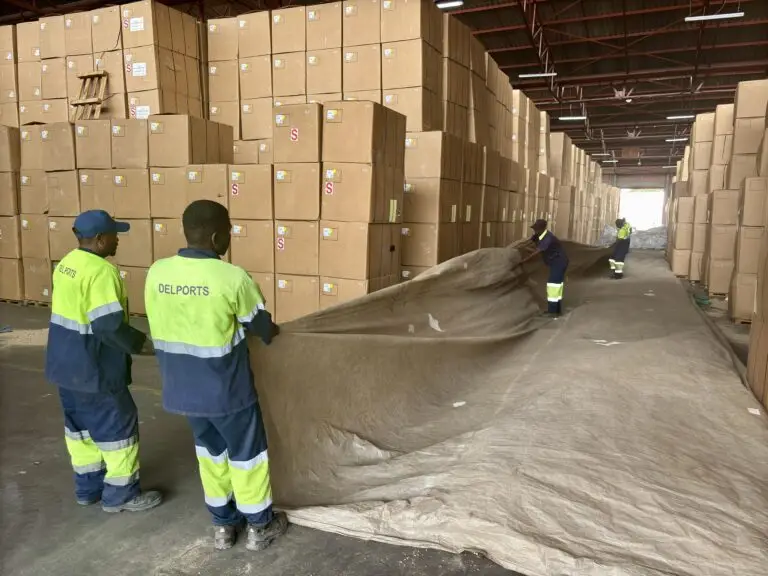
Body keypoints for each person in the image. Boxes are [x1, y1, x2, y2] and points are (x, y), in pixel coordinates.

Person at [144, 200, 287, 552]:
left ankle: (223, 526)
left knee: (211, 455)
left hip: (182, 391)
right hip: (227, 391)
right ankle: (259, 525)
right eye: (229, 230)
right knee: (247, 457)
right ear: (216, 235)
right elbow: (263, 329)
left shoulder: (157, 273)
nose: (230, 237)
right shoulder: (232, 278)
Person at [45, 210, 162, 513]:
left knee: (80, 430)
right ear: (99, 240)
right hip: (94, 367)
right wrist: (145, 345)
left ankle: (88, 489)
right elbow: (108, 326)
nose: (118, 240)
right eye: (114, 234)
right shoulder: (101, 272)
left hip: (64, 365)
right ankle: (120, 494)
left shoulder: (66, 265)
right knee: (118, 428)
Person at [527, 219, 569, 316]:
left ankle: (552, 312)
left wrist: (525, 260)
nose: (534, 231)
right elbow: (529, 241)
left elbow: (538, 251)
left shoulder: (548, 238)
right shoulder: (539, 235)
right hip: (556, 262)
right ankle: (556, 310)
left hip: (559, 262)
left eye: (536, 229)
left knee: (553, 285)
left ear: (542, 229)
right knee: (557, 286)